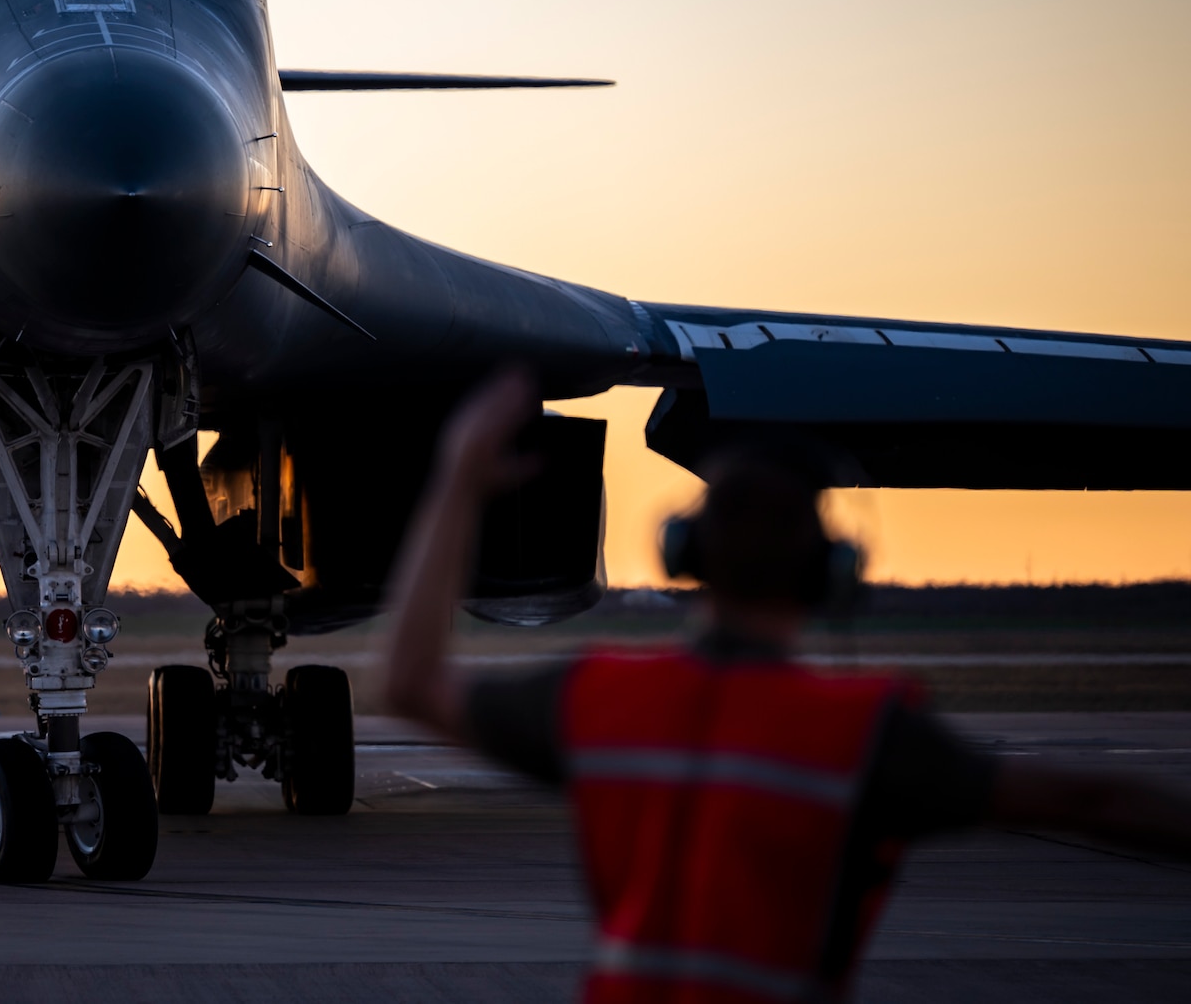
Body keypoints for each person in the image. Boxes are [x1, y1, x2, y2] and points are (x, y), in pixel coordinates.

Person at [382, 366, 1191, 1003]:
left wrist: (459, 479)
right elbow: (1095, 804)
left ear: (685, 551)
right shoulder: (862, 735)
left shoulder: (603, 702)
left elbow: (413, 680)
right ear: (830, 571)